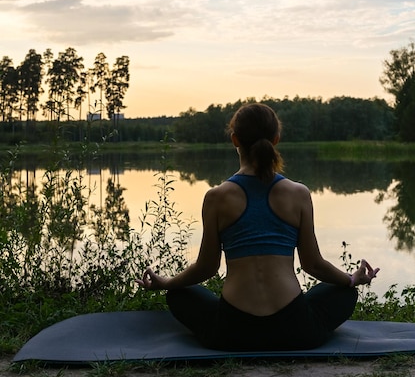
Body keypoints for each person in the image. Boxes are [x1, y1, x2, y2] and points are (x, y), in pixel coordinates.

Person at [137, 102, 380, 351]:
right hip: (295, 330)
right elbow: (313, 265)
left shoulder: (216, 197)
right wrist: (352, 279)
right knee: (345, 292)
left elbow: (206, 268)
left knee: (178, 294)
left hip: (231, 333)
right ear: (275, 139)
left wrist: (166, 282)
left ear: (234, 140)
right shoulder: (298, 193)